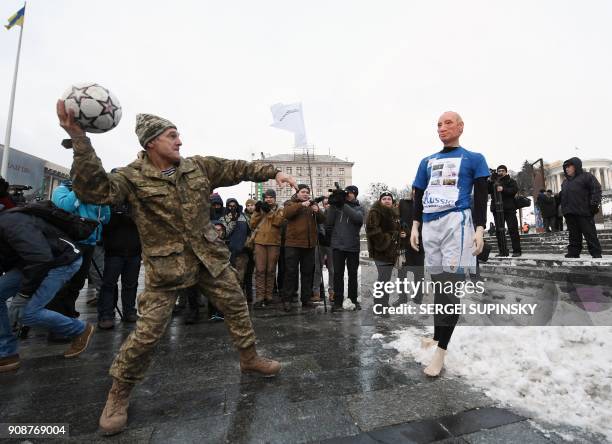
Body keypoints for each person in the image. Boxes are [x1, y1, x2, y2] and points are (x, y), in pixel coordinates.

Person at [56, 102, 296, 435]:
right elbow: (96, 192)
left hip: (208, 259)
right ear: (151, 142)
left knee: (237, 306)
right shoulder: (130, 177)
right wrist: (80, 140)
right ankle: (119, 391)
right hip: (166, 270)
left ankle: (249, 357)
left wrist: (273, 172)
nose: (180, 141)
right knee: (149, 333)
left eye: (179, 135)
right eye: (172, 136)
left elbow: (238, 167)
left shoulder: (198, 167)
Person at [411, 111, 488, 377]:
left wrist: (480, 228)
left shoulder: (474, 159)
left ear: (461, 127)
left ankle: (441, 352)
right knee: (438, 286)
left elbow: (481, 197)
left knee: (449, 287)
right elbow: (418, 193)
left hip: (457, 221)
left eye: (448, 123)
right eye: (438, 125)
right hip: (430, 223)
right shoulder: (427, 161)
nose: (442, 128)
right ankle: (436, 336)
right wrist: (415, 224)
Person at [0, 206, 95, 372]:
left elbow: (41, 258)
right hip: (31, 263)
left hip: (60, 261)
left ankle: (80, 329)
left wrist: (23, 294)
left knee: (28, 312)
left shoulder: (10, 223)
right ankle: (7, 352)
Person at [47, 180, 110, 321]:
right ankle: (57, 321)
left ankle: (68, 313)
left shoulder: (94, 193)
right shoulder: (62, 190)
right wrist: (79, 189)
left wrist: (103, 202)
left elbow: (105, 218)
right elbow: (66, 207)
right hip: (69, 242)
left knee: (77, 282)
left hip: (90, 242)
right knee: (64, 282)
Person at [98, 201, 142, 329]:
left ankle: (129, 312)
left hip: (134, 251)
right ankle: (106, 315)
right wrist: (117, 213)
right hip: (113, 252)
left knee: (131, 284)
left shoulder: (135, 204)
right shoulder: (108, 204)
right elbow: (105, 224)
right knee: (108, 285)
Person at [282, 184, 325, 310]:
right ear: (297, 193)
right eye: (303, 192)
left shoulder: (312, 205)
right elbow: (287, 214)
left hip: (309, 245)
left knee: (307, 273)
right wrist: (301, 205)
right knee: (290, 272)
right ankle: (287, 300)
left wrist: (318, 211)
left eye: (307, 192)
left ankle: (306, 299)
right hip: (293, 244)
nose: (305, 194)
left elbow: (322, 219)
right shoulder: (290, 203)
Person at [366, 192, 409, 313]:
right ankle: (380, 306)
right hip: (381, 251)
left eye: (389, 198)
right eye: (384, 198)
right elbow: (373, 231)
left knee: (385, 279)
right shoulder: (375, 212)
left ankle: (382, 304)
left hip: (391, 252)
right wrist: (388, 239)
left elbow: (399, 228)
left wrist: (403, 233)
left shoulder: (394, 213)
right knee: (383, 279)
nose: (387, 200)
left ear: (392, 201)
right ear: (380, 201)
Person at [326, 185, 364, 312]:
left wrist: (343, 205)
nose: (347, 195)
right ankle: (337, 301)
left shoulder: (359, 207)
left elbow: (358, 219)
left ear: (355, 194)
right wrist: (333, 204)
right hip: (338, 245)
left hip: (353, 246)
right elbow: (329, 223)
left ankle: (353, 299)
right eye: (345, 193)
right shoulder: (336, 207)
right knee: (338, 274)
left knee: (352, 274)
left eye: (349, 193)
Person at [559, 157, 602, 258]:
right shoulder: (565, 182)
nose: (567, 169)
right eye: (565, 167)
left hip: (584, 211)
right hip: (570, 213)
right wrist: (564, 210)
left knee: (590, 233)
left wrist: (594, 204)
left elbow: (596, 190)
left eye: (569, 166)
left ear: (576, 166)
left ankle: (596, 253)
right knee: (573, 235)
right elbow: (564, 197)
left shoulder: (587, 177)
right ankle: (574, 252)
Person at [250, 189, 284, 309]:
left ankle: (269, 296)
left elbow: (278, 222)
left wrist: (269, 211)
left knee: (270, 271)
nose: (268, 199)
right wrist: (258, 211)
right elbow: (252, 224)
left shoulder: (279, 209)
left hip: (274, 243)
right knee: (259, 270)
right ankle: (259, 297)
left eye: (271, 197)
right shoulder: (260, 209)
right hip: (260, 242)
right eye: (266, 197)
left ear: (274, 198)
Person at [488, 165, 521, 257]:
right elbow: (487, 191)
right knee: (499, 231)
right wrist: (490, 181)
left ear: (506, 172)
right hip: (497, 210)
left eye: (503, 171)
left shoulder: (511, 181)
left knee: (513, 229)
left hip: (509, 209)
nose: (500, 172)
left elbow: (514, 190)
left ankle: (517, 251)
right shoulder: (494, 181)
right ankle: (502, 251)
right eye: (499, 171)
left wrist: (503, 189)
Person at [222, 198, 250, 287]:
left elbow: (250, 230)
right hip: (228, 253)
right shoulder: (223, 218)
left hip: (242, 251)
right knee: (229, 279)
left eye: (234, 206)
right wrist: (232, 221)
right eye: (230, 206)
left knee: (241, 278)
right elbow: (224, 233)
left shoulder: (244, 216)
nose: (232, 208)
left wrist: (247, 242)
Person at [312, 197, 334, 304]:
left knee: (332, 269)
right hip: (320, 244)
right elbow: (313, 203)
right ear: (323, 205)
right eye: (325, 204)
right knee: (317, 269)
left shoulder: (336, 214)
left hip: (332, 245)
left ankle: (332, 291)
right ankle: (316, 292)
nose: (327, 206)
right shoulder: (319, 214)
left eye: (329, 204)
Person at [242, 198, 257, 303]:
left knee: (254, 271)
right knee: (245, 272)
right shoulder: (242, 217)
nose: (250, 207)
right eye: (248, 205)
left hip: (257, 246)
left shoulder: (259, 215)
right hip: (246, 247)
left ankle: (250, 295)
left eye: (252, 205)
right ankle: (246, 295)